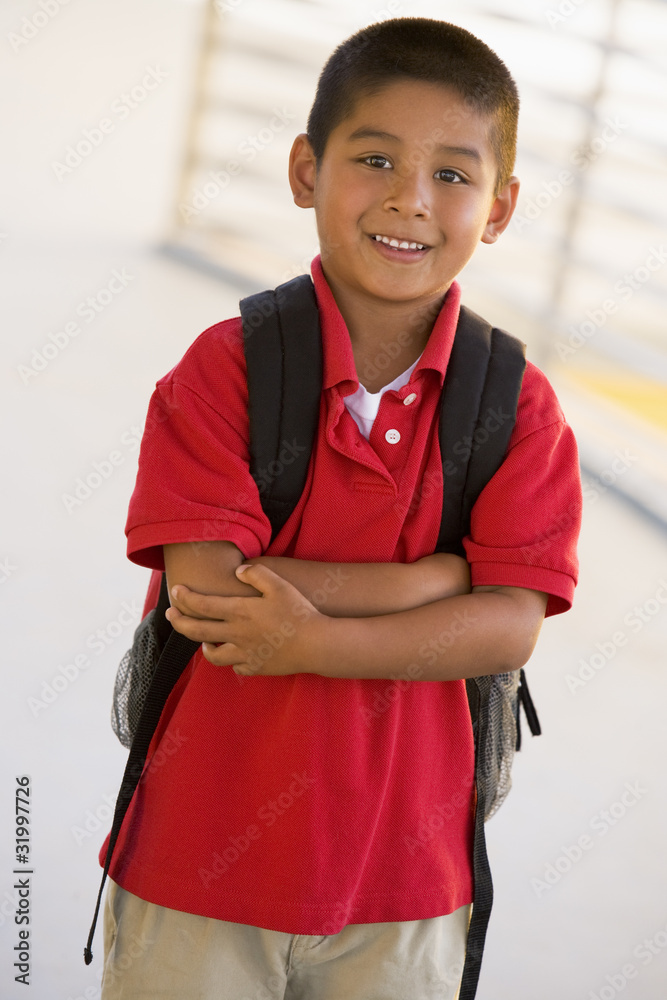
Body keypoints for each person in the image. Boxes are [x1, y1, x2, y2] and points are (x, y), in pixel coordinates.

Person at [98, 16, 581, 999]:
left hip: (406, 887)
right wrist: (437, 582)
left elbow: (509, 628)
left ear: (499, 208)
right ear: (304, 168)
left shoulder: (514, 404)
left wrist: (311, 635)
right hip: (198, 866)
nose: (410, 198)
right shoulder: (223, 371)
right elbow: (214, 603)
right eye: (374, 158)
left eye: (453, 173)